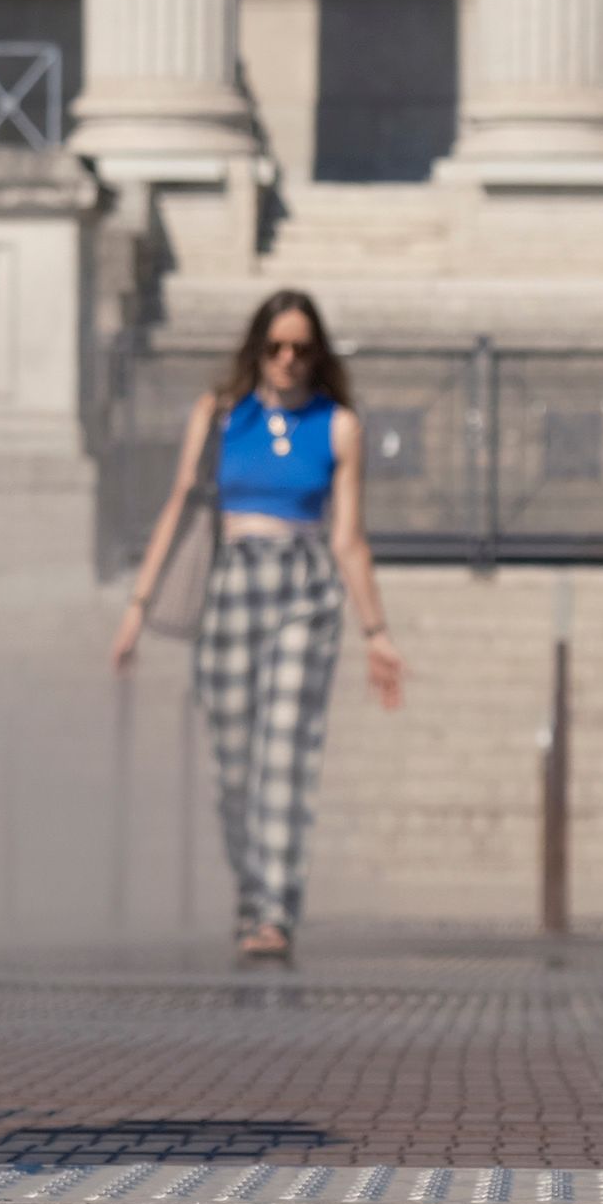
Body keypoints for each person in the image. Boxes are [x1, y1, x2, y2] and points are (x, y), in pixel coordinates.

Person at [109, 289, 403, 965]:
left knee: (284, 759)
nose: (288, 360)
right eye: (276, 347)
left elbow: (350, 537)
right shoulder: (218, 415)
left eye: (302, 349)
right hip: (228, 585)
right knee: (234, 768)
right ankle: (252, 891)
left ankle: (275, 912)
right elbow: (180, 505)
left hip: (303, 586)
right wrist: (137, 608)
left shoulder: (340, 425)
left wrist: (376, 631)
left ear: (317, 354)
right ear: (257, 349)